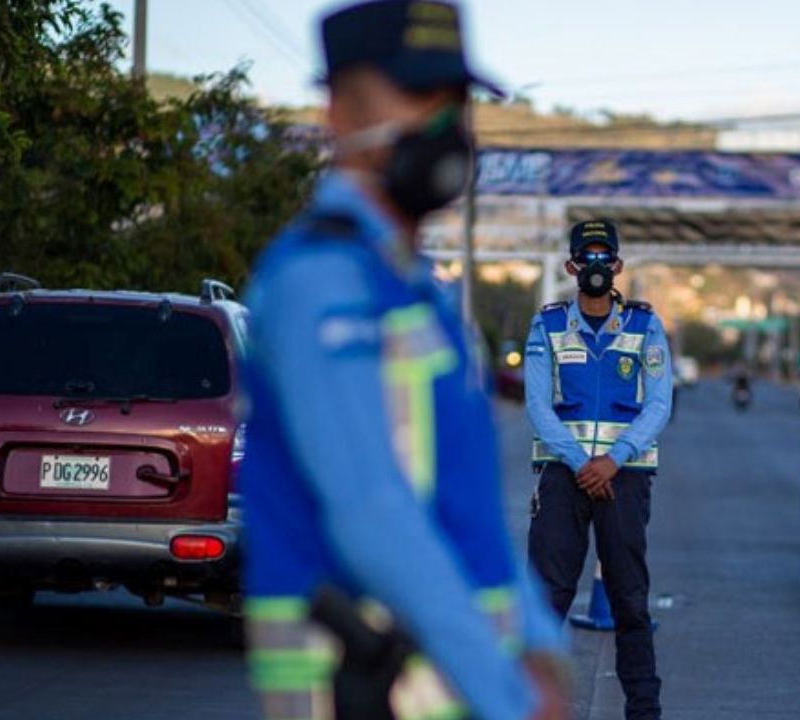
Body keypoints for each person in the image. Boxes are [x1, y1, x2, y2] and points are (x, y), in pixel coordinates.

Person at [238, 2, 569, 719]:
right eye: (418, 95)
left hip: (445, 686)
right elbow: (370, 511)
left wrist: (539, 646)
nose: (446, 123)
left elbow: (465, 502)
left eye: (457, 100)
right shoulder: (320, 281)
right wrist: (508, 695)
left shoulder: (413, 284)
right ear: (337, 111)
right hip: (364, 683)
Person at [524, 220, 673, 720]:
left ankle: (643, 711)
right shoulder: (546, 325)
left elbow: (659, 405)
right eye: (584, 257)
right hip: (563, 477)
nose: (594, 267)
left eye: (603, 257)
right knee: (546, 602)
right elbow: (539, 406)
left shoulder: (645, 325)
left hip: (624, 478)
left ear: (617, 265)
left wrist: (615, 459)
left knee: (630, 602)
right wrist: (580, 462)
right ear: (570, 266)